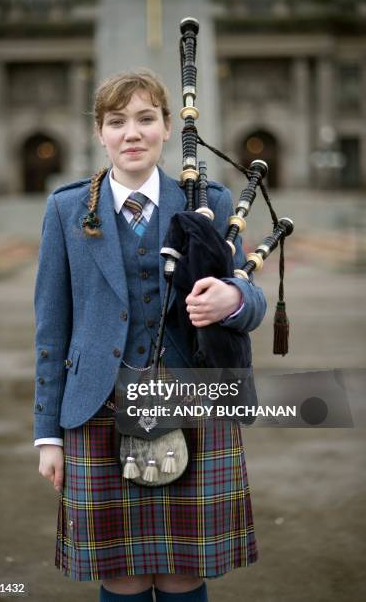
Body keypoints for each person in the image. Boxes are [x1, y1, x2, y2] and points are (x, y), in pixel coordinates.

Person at [34, 70, 266, 602]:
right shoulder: (67, 210)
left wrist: (233, 300)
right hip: (98, 409)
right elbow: (51, 327)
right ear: (100, 133)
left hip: (194, 405)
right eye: (117, 122)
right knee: (122, 573)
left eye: (145, 119)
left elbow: (250, 298)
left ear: (167, 127)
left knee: (185, 571)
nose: (131, 133)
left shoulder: (211, 199)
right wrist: (47, 434)